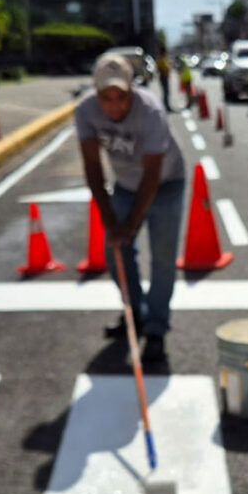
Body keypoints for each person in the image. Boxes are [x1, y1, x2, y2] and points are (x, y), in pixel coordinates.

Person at [75, 53, 187, 364]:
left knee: (163, 258)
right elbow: (93, 167)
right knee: (115, 252)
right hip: (125, 185)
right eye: (106, 97)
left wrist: (129, 224)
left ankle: (156, 328)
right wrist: (111, 222)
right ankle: (134, 312)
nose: (114, 105)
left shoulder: (150, 110)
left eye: (120, 97)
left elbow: (153, 174)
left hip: (166, 184)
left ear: (131, 90)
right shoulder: (85, 112)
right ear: (96, 93)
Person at [155, 47, 173, 111]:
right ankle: (165, 107)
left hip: (165, 77)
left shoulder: (164, 58)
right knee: (166, 92)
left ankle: (166, 106)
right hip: (163, 78)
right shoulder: (161, 58)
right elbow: (159, 69)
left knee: (166, 92)